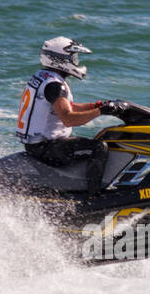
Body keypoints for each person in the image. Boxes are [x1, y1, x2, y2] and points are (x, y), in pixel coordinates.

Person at [15, 37, 117, 193]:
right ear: (59, 59)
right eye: (73, 57)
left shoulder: (43, 77)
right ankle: (93, 195)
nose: (75, 62)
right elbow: (68, 119)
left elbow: (64, 107)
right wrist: (101, 112)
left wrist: (94, 106)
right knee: (99, 147)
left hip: (37, 145)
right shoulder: (55, 85)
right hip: (47, 148)